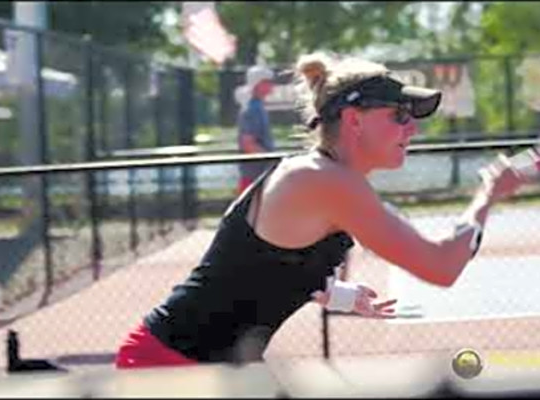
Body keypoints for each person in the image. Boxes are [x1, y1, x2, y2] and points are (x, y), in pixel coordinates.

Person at [115, 53, 525, 369]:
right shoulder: (325, 180)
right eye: (399, 115)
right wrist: (488, 194)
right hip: (170, 365)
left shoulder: (320, 177)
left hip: (203, 366)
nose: (411, 128)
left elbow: (260, 264)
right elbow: (441, 266)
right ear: (353, 119)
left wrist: (337, 294)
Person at [235, 65, 277, 195]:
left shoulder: (257, 107)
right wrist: (272, 160)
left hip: (259, 174)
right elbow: (248, 144)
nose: (271, 85)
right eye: (267, 82)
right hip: (255, 175)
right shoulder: (253, 109)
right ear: (258, 84)